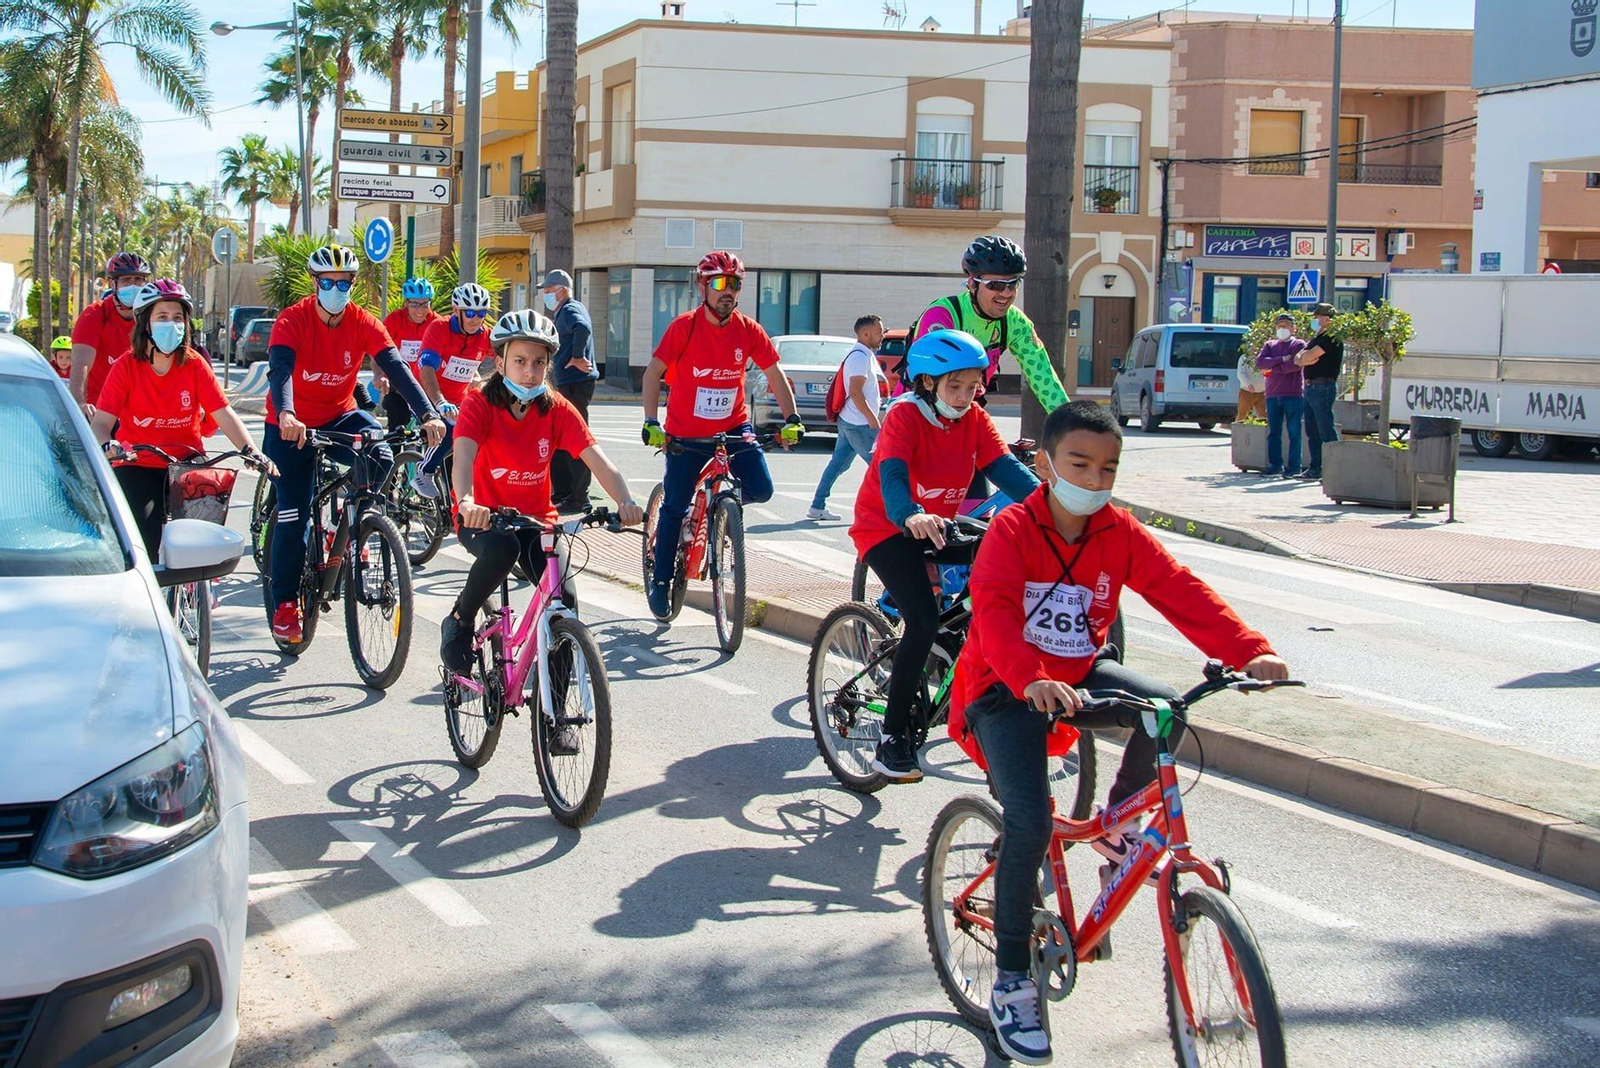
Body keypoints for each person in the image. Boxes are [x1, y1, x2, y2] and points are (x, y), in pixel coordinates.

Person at [947, 400, 1289, 1064]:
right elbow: (990, 611)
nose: (1096, 480)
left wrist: (1249, 650)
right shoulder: (1011, 528)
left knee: (1165, 707)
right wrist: (1028, 679)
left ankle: (1114, 826)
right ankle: (1014, 980)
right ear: (1044, 464)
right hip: (1002, 687)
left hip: (1079, 674)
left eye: (1109, 468)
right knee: (1029, 822)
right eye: (1079, 464)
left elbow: (1180, 590)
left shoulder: (1119, 532)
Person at [849, 329, 1041, 783]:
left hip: (940, 525)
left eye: (973, 385)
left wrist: (1054, 507)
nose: (965, 395)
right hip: (888, 527)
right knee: (924, 619)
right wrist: (909, 514)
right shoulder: (904, 416)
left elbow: (1004, 469)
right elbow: (892, 473)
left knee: (991, 607)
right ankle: (892, 738)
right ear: (928, 383)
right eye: (954, 385)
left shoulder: (974, 419)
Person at [443, 310, 644, 715]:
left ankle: (559, 718)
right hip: (484, 517)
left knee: (564, 601)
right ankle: (461, 621)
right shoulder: (479, 404)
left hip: (537, 520)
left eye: (539, 362)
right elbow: (462, 457)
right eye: (519, 361)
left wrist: (625, 501)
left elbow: (600, 462)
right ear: (500, 362)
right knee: (500, 552)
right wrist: (466, 502)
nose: (530, 372)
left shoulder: (556, 409)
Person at [263, 243, 445, 643]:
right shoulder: (292, 320)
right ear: (315, 283)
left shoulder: (363, 322)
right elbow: (280, 372)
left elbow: (397, 369)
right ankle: (284, 605)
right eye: (328, 282)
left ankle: (351, 525)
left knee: (379, 449)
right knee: (292, 514)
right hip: (289, 424)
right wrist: (288, 413)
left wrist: (429, 412)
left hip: (339, 414)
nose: (336, 289)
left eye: (344, 283)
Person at [640, 250, 804, 620]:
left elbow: (775, 375)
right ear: (704, 287)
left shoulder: (748, 329)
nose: (727, 291)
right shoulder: (684, 326)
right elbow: (652, 374)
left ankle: (720, 512)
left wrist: (792, 417)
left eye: (734, 284)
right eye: (719, 283)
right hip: (685, 434)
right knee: (674, 507)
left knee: (762, 488)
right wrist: (652, 423)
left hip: (732, 427)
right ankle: (662, 579)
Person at [89, 280, 276, 557]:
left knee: (203, 539)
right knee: (142, 538)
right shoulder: (125, 367)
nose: (171, 324)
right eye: (162, 317)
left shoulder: (194, 364)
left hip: (187, 465)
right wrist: (108, 446)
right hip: (139, 464)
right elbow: (101, 424)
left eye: (178, 318)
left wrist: (251, 451)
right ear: (146, 324)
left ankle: (201, 590)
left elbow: (223, 412)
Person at [908, 235, 1070, 414]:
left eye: (1013, 283)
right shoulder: (942, 314)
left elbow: (1044, 380)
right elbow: (926, 385)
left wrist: (1071, 425)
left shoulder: (1015, 321)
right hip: (916, 413)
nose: (1006, 293)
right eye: (996, 285)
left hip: (964, 413)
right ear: (972, 284)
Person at [414, 282, 494, 497]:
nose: (476, 318)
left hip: (459, 397)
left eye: (481, 313)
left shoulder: (485, 334)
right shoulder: (439, 328)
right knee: (448, 430)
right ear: (456, 310)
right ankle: (424, 471)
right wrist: (439, 402)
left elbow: (505, 361)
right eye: (469, 313)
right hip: (427, 393)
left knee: (480, 433)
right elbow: (427, 368)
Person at [808, 314, 887, 521]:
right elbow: (856, 392)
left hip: (850, 420)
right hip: (859, 423)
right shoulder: (860, 357)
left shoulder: (864, 354)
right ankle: (883, 511)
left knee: (838, 464)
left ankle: (817, 505)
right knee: (883, 466)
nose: (882, 336)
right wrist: (872, 419)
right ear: (865, 333)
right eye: (879, 332)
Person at [541, 269, 600, 513]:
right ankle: (565, 492)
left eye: (548, 291)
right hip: (570, 383)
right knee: (560, 438)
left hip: (574, 383)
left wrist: (577, 357)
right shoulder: (569, 308)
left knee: (575, 438)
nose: (546, 295)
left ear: (562, 291)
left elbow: (582, 327)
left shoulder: (568, 309)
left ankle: (578, 496)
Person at [70, 251, 151, 414]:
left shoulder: (152, 317)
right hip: (99, 408)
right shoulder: (94, 315)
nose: (133, 285)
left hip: (140, 411)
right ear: (112, 283)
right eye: (126, 280)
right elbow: (81, 365)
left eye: (138, 279)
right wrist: (79, 404)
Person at [375, 277, 442, 430]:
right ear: (406, 303)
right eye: (415, 304)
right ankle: (395, 452)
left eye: (425, 304)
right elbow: (377, 350)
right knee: (397, 418)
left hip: (427, 386)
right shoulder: (394, 320)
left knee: (439, 423)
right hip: (399, 385)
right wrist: (379, 375)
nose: (420, 310)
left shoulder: (437, 323)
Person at [1254, 312, 1307, 479]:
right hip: (1272, 394)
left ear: (1293, 328)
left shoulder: (1299, 344)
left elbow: (1295, 365)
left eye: (1286, 325)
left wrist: (1274, 368)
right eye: (1279, 325)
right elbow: (1260, 363)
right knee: (1273, 432)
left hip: (1293, 394)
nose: (1282, 328)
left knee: (1294, 432)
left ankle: (1294, 468)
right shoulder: (1269, 345)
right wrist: (1282, 359)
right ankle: (1275, 465)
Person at [1295, 301, 1343, 481]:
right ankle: (1315, 468)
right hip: (1310, 386)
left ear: (1326, 318)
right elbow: (1299, 358)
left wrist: (1304, 358)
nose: (1315, 320)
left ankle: (1336, 469)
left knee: (1326, 429)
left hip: (1323, 387)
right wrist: (1303, 359)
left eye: (1317, 317)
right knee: (1311, 430)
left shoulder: (1331, 338)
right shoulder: (1317, 337)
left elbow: (1307, 356)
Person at [1235, 346, 1267, 422]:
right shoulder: (1244, 358)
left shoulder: (1265, 358)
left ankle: (1264, 433)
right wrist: (1248, 384)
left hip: (1262, 392)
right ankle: (1237, 432)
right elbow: (1240, 373)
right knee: (1242, 415)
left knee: (1264, 416)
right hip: (1246, 391)